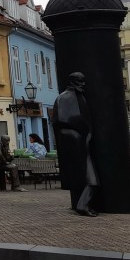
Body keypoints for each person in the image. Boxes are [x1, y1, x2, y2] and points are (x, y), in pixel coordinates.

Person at [52, 72, 98, 216]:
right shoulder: (64, 98)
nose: (83, 84)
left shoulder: (76, 97)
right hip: (75, 141)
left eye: (83, 81)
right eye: (80, 81)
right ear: (72, 82)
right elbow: (62, 120)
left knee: (89, 178)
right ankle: (82, 205)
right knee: (89, 178)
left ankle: (83, 204)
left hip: (81, 140)